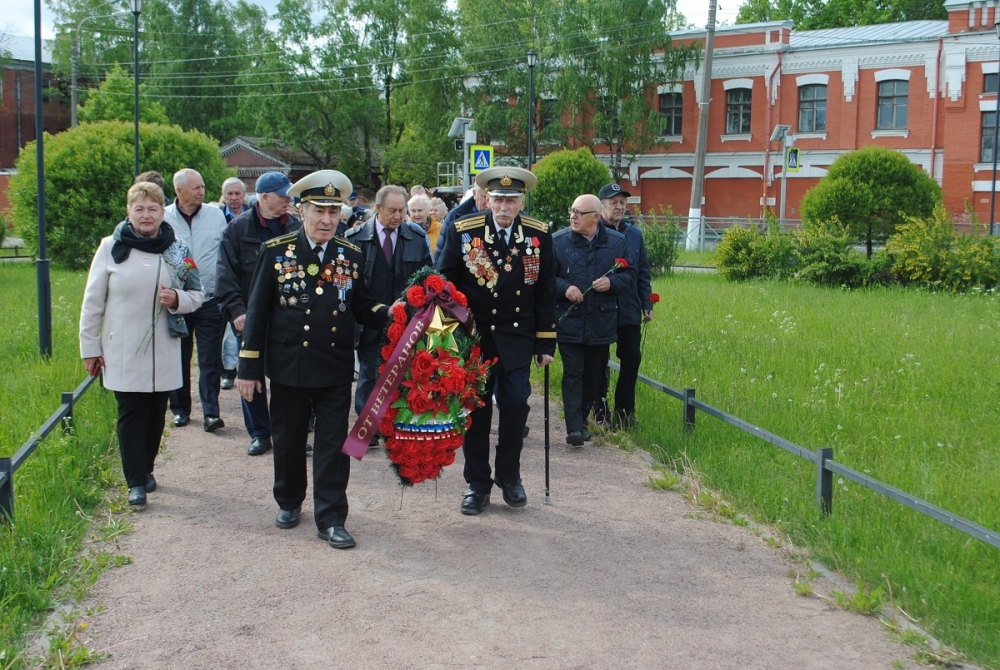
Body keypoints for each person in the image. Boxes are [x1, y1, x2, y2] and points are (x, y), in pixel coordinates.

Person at [237, 170, 390, 549]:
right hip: (289, 365)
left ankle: (331, 517)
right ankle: (288, 500)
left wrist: (393, 313)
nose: (326, 220)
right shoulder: (276, 252)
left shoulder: (350, 255)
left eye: (333, 212)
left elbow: (362, 305)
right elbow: (257, 313)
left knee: (333, 443)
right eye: (318, 211)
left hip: (334, 366)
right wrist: (249, 367)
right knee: (287, 439)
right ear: (301, 211)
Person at [436, 167, 557, 515]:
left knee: (517, 406)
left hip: (517, 337)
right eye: (498, 199)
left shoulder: (538, 235)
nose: (504, 206)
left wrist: (545, 344)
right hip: (476, 338)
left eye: (511, 200)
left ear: (521, 202)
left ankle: (510, 476)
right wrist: (452, 334)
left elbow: (546, 291)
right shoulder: (464, 231)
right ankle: (477, 483)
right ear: (486, 199)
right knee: (476, 411)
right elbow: (446, 283)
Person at [80, 181, 205, 508]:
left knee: (155, 414)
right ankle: (135, 481)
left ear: (161, 211)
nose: (146, 215)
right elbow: (92, 302)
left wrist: (178, 299)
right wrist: (90, 348)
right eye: (139, 209)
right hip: (122, 348)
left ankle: (147, 468)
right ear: (128, 212)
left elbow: (198, 293)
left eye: (152, 209)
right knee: (131, 412)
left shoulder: (176, 248)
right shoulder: (110, 247)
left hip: (164, 346)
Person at [217, 171, 301, 456]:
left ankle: (287, 432)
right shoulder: (237, 230)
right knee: (250, 375)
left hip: (290, 318)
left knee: (288, 378)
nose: (288, 200)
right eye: (282, 195)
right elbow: (225, 277)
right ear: (264, 197)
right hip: (252, 318)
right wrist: (237, 313)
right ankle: (259, 433)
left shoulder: (296, 225)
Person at [345, 185, 431, 446]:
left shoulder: (416, 236)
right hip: (369, 318)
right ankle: (367, 428)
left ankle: (397, 425)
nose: (398, 216)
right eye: (392, 210)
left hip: (406, 319)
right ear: (378, 208)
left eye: (402, 210)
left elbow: (429, 276)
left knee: (404, 374)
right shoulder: (356, 237)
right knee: (370, 373)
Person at [553, 194, 635, 446]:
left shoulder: (618, 242)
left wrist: (611, 282)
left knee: (594, 375)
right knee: (573, 372)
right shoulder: (557, 241)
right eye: (572, 211)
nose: (573, 216)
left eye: (580, 212)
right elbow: (546, 277)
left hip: (602, 320)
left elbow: (629, 275)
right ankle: (574, 427)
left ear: (596, 217)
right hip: (570, 319)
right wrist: (565, 288)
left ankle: (583, 415)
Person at [164, 168, 229, 432]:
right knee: (178, 357)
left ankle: (211, 412)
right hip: (177, 300)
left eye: (203, 187)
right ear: (179, 191)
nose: (202, 191)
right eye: (196, 187)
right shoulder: (164, 218)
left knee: (210, 359)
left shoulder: (216, 216)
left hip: (211, 299)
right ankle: (180, 409)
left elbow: (225, 253)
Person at [594, 183, 653, 430]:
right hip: (601, 309)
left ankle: (624, 411)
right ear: (601, 206)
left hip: (628, 309)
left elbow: (642, 272)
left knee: (632, 357)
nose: (620, 207)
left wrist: (646, 302)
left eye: (623, 203)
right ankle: (598, 409)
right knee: (598, 361)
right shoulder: (594, 232)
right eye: (614, 202)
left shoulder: (634, 235)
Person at [217, 177, 251, 389]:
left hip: (245, 281)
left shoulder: (252, 217)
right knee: (225, 335)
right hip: (225, 280)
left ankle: (240, 369)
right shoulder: (217, 217)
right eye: (229, 194)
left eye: (237, 193)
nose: (234, 198)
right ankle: (228, 371)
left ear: (244, 195)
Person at [436, 183, 487, 264]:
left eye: (493, 197)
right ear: (474, 194)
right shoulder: (455, 216)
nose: (488, 202)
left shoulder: (505, 219)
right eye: (484, 197)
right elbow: (441, 257)